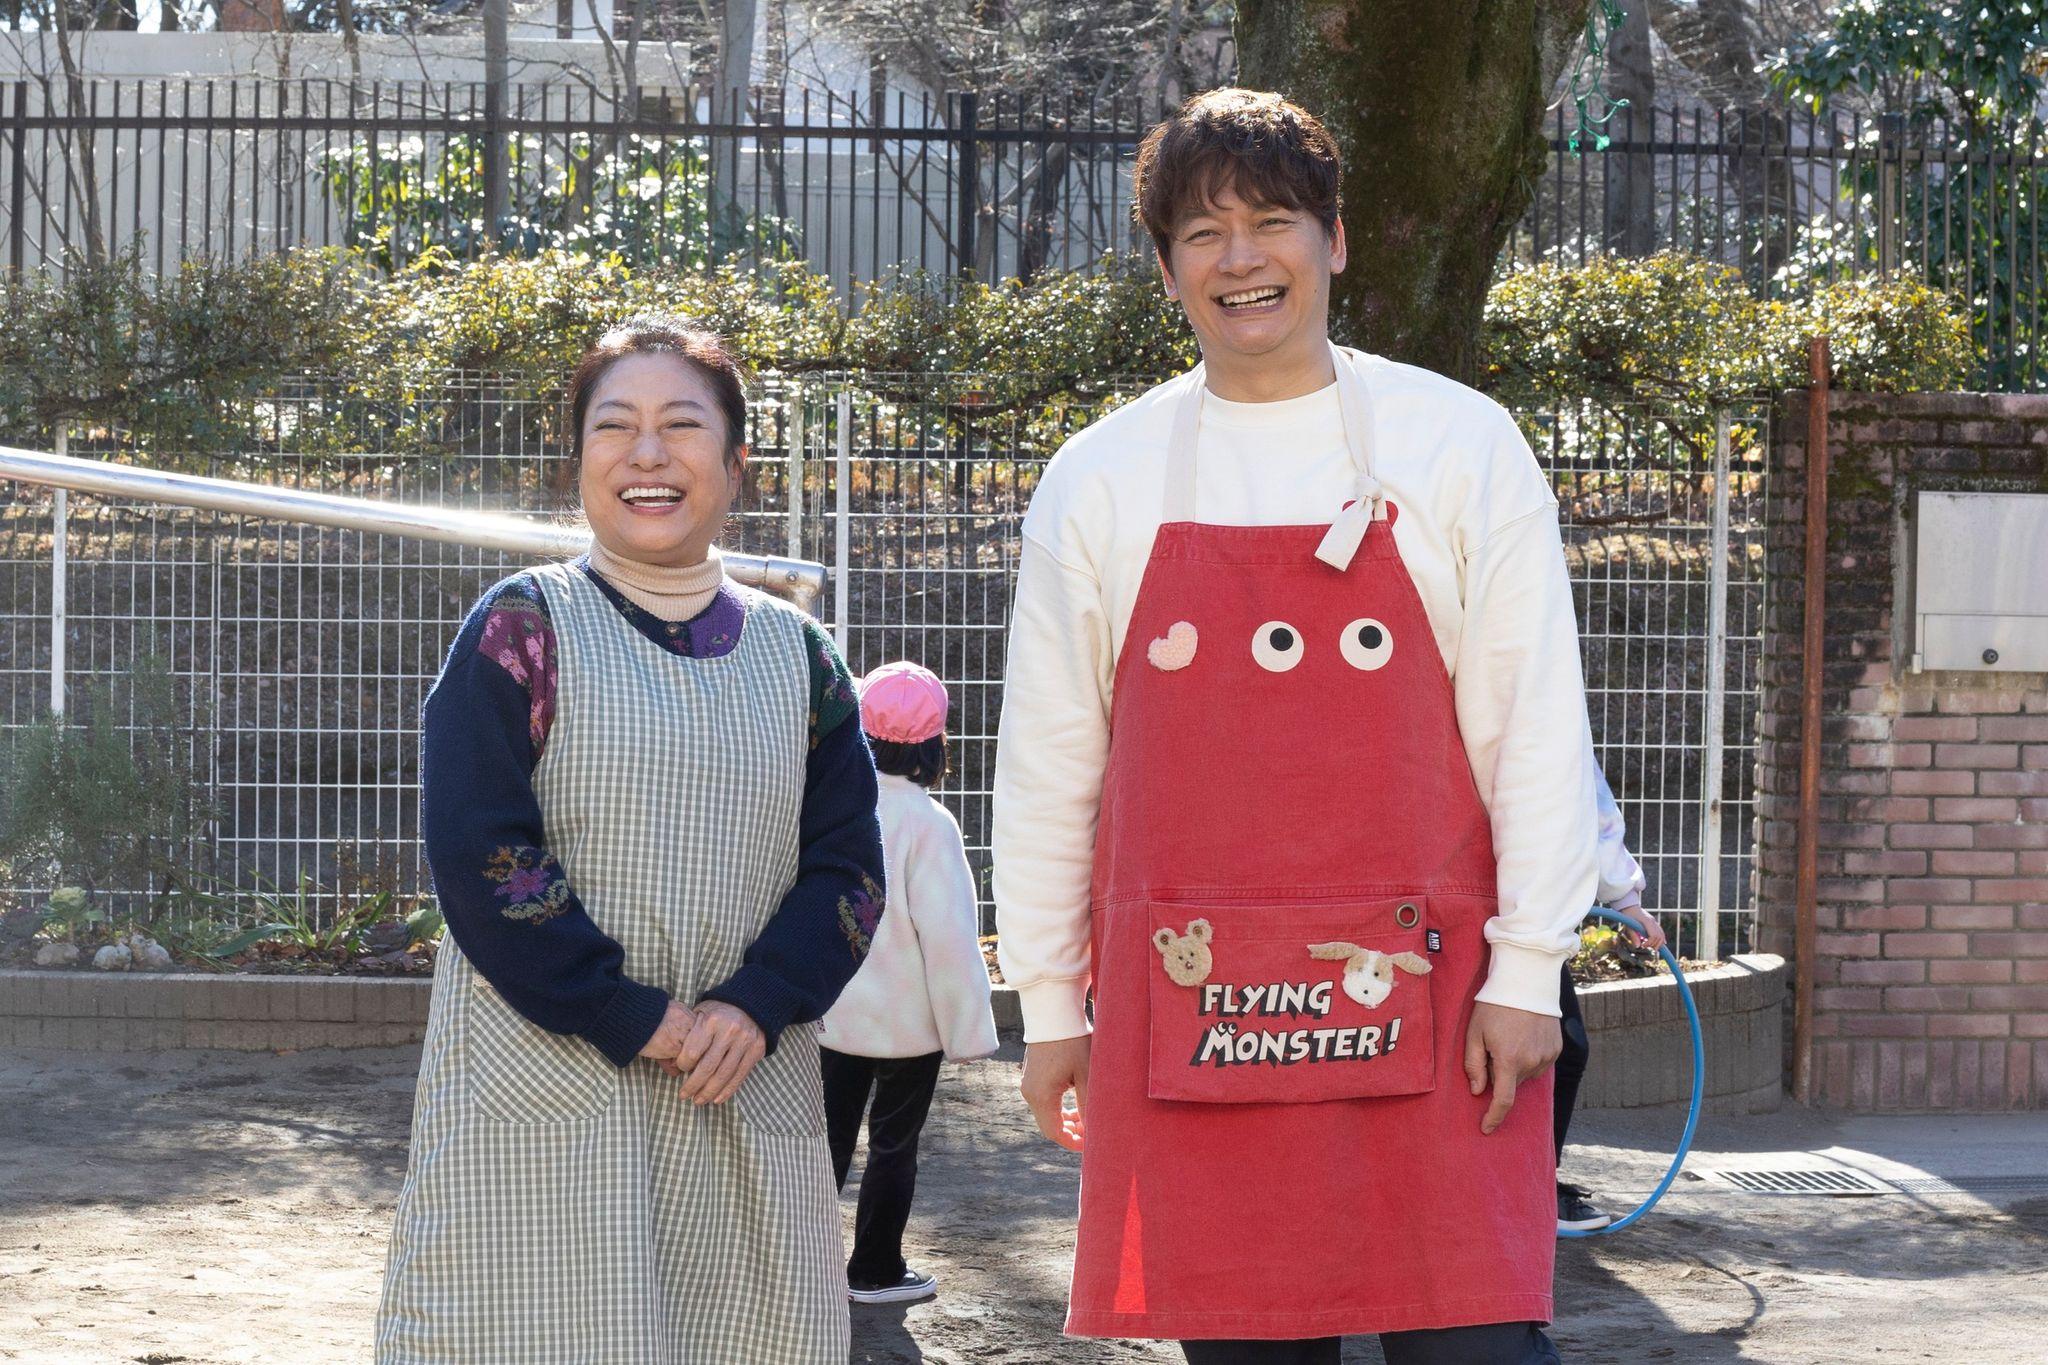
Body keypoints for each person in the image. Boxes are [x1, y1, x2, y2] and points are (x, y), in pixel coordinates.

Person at [991, 89, 1600, 1364]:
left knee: (1477, 1349)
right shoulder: (1099, 475)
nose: (1239, 258)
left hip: (1435, 1004)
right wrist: (1051, 1006)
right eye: (1202, 233)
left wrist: (1529, 968)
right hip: (1196, 1007)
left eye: (1270, 221)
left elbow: (1531, 727)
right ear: (1165, 269)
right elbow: (1052, 765)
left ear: (1334, 239)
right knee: (1249, 1348)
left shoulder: (1457, 444)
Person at [375, 320, 886, 1364]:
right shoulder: (521, 630)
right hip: (546, 1095)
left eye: (680, 426)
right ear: (578, 463)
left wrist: (753, 1004)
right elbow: (483, 854)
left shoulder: (801, 660)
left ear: (736, 463)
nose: (646, 455)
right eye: (615, 426)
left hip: (742, 1086)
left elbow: (850, 872)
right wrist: (626, 1011)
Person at [818, 660, 1001, 1306]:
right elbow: (948, 940)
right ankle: (874, 1269)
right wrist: (969, 1028)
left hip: (833, 1012)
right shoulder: (930, 825)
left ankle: (801, 1265)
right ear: (933, 744)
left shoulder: (834, 810)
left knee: (824, 1140)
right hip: (908, 1025)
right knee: (894, 1143)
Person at [1555, 766, 1666, 1234]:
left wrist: (1624, 899)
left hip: (1523, 912)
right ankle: (1527, 1189)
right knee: (1558, 1050)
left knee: (1563, 1049)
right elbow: (1585, 794)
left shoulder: (1550, 699)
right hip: (1490, 907)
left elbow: (1587, 794)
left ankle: (1530, 1184)